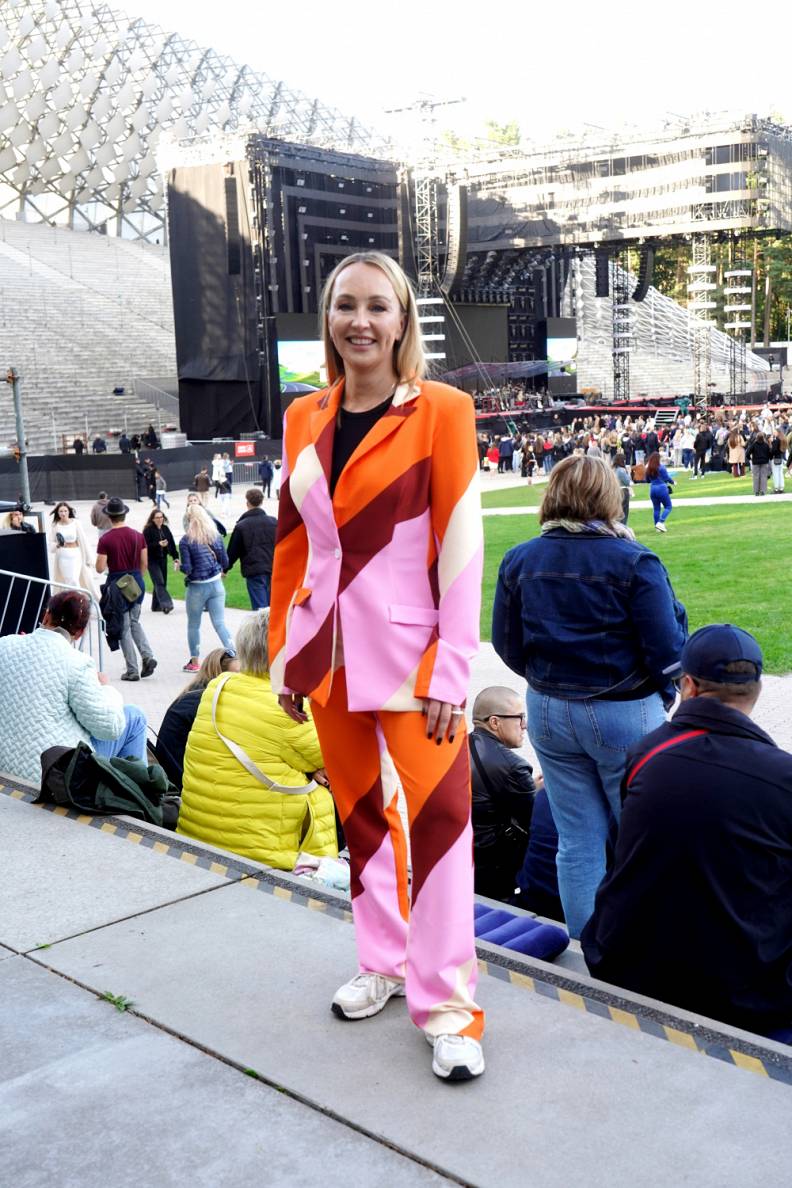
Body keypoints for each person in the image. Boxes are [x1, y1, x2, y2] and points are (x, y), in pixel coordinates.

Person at [270, 250, 485, 1081]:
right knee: (361, 819)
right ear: (328, 319)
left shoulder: (443, 410)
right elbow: (294, 545)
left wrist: (452, 667)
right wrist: (289, 658)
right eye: (345, 305)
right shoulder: (303, 416)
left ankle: (450, 1006)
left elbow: (461, 542)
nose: (359, 321)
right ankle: (383, 963)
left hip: (415, 659)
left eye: (377, 306)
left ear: (402, 322)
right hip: (326, 659)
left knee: (441, 830)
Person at [492, 455, 687, 938]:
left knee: (577, 840)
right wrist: (660, 696)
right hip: (621, 709)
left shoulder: (521, 559)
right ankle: (643, 944)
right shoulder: (633, 560)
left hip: (551, 710)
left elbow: (506, 643)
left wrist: (547, 682)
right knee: (640, 837)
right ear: (609, 498)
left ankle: (589, 946)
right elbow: (668, 650)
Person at [582, 625, 792, 1043]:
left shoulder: (647, 753)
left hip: (627, 964)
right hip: (744, 997)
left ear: (690, 686)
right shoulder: (782, 776)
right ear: (756, 690)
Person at [178, 609, 337, 869]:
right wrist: (312, 768)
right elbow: (337, 760)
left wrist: (309, 765)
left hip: (202, 832)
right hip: (262, 851)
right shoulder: (288, 708)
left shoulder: (219, 686)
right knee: (331, 792)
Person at [0, 590, 146, 784]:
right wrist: (106, 689)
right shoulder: (77, 663)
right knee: (135, 717)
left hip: (6, 763)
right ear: (80, 632)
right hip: (54, 774)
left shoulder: (5, 645)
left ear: (46, 615)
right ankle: (141, 792)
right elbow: (110, 728)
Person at [469, 686, 541, 903]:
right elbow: (534, 821)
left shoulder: (458, 747)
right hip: (494, 873)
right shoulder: (514, 767)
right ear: (495, 722)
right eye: (520, 717)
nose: (525, 725)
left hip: (464, 860)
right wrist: (540, 795)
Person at [155, 649, 240, 788]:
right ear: (221, 676)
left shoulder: (193, 693)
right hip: (180, 781)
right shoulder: (205, 703)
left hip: (173, 773)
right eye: (237, 675)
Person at [96, 496, 157, 682]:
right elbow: (144, 563)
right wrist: (136, 578)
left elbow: (99, 567)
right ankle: (147, 656)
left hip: (117, 584)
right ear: (124, 515)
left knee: (123, 627)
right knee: (134, 621)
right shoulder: (138, 536)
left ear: (109, 517)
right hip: (136, 581)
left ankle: (132, 670)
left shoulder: (106, 539)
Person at [179, 504, 236, 672]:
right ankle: (235, 655)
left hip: (197, 587)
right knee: (220, 623)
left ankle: (195, 662)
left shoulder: (186, 540)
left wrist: (179, 566)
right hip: (216, 584)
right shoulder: (215, 536)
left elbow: (188, 569)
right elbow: (225, 561)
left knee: (194, 625)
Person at [226, 488, 276, 609]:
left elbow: (233, 551)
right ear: (261, 502)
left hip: (255, 570)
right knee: (272, 607)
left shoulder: (242, 526)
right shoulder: (273, 522)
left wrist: (225, 567)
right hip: (272, 567)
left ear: (247, 503)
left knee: (261, 609)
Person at [49, 502, 94, 592]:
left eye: (65, 511)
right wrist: (57, 545)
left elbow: (83, 540)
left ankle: (77, 598)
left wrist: (88, 557)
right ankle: (69, 598)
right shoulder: (55, 525)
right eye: (61, 511)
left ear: (69, 512)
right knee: (67, 580)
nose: (63, 513)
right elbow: (51, 542)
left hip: (75, 555)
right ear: (58, 513)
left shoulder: (76, 523)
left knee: (74, 579)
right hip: (62, 556)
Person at [143, 508, 179, 614]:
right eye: (157, 518)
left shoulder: (165, 529)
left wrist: (175, 557)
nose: (160, 519)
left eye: (161, 517)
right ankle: (167, 605)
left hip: (163, 559)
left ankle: (156, 606)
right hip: (152, 560)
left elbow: (171, 543)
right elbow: (145, 546)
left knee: (161, 582)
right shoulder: (148, 530)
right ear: (153, 519)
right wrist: (158, 544)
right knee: (159, 581)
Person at [645, 451, 675, 534]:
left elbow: (647, 480)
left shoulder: (648, 468)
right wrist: (673, 482)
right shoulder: (661, 467)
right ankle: (661, 522)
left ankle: (657, 527)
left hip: (652, 489)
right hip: (662, 488)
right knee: (668, 506)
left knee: (656, 508)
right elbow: (666, 478)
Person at [746, 431, 771, 496]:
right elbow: (769, 453)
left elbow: (747, 453)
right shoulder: (766, 445)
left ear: (756, 437)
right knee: (763, 476)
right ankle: (763, 491)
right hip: (764, 462)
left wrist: (750, 459)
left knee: (756, 477)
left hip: (755, 462)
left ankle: (756, 491)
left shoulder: (754, 445)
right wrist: (768, 459)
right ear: (763, 438)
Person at [612, 451, 632, 524]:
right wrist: (629, 473)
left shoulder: (613, 469)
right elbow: (627, 482)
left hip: (615, 490)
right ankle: (623, 525)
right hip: (623, 490)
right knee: (624, 511)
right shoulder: (621, 470)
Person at [770, 429, 787, 494]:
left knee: (775, 474)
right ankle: (781, 488)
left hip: (775, 458)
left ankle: (776, 488)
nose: (773, 433)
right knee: (780, 474)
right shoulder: (783, 440)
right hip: (781, 458)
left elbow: (773, 451)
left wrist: (771, 445)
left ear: (778, 433)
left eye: (775, 432)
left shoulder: (776, 441)